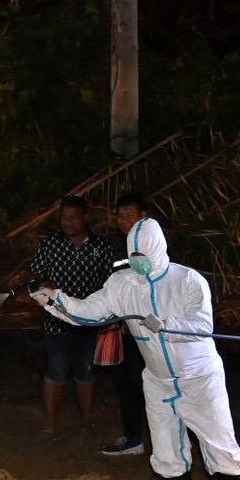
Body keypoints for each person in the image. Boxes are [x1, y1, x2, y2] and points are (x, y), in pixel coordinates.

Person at [28, 217, 240, 480]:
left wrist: (167, 322)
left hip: (199, 380)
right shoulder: (122, 284)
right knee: (166, 452)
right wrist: (55, 301)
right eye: (133, 255)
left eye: (143, 256)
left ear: (158, 250)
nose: (137, 262)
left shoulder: (188, 281)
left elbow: (202, 326)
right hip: (158, 382)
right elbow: (88, 312)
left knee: (221, 448)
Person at [29, 196, 116, 439]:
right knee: (55, 372)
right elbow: (36, 275)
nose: (67, 222)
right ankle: (49, 425)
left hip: (91, 324)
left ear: (85, 218)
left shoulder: (102, 248)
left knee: (86, 374)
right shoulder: (50, 246)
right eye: (64, 217)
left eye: (73, 217)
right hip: (57, 322)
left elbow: (111, 284)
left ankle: (86, 422)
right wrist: (42, 287)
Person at [99, 193, 150, 458]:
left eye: (130, 215)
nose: (124, 221)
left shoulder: (159, 247)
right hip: (124, 331)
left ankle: (173, 440)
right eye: (120, 216)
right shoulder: (120, 248)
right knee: (126, 383)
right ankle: (133, 438)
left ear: (144, 217)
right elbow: (113, 280)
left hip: (154, 334)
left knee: (154, 385)